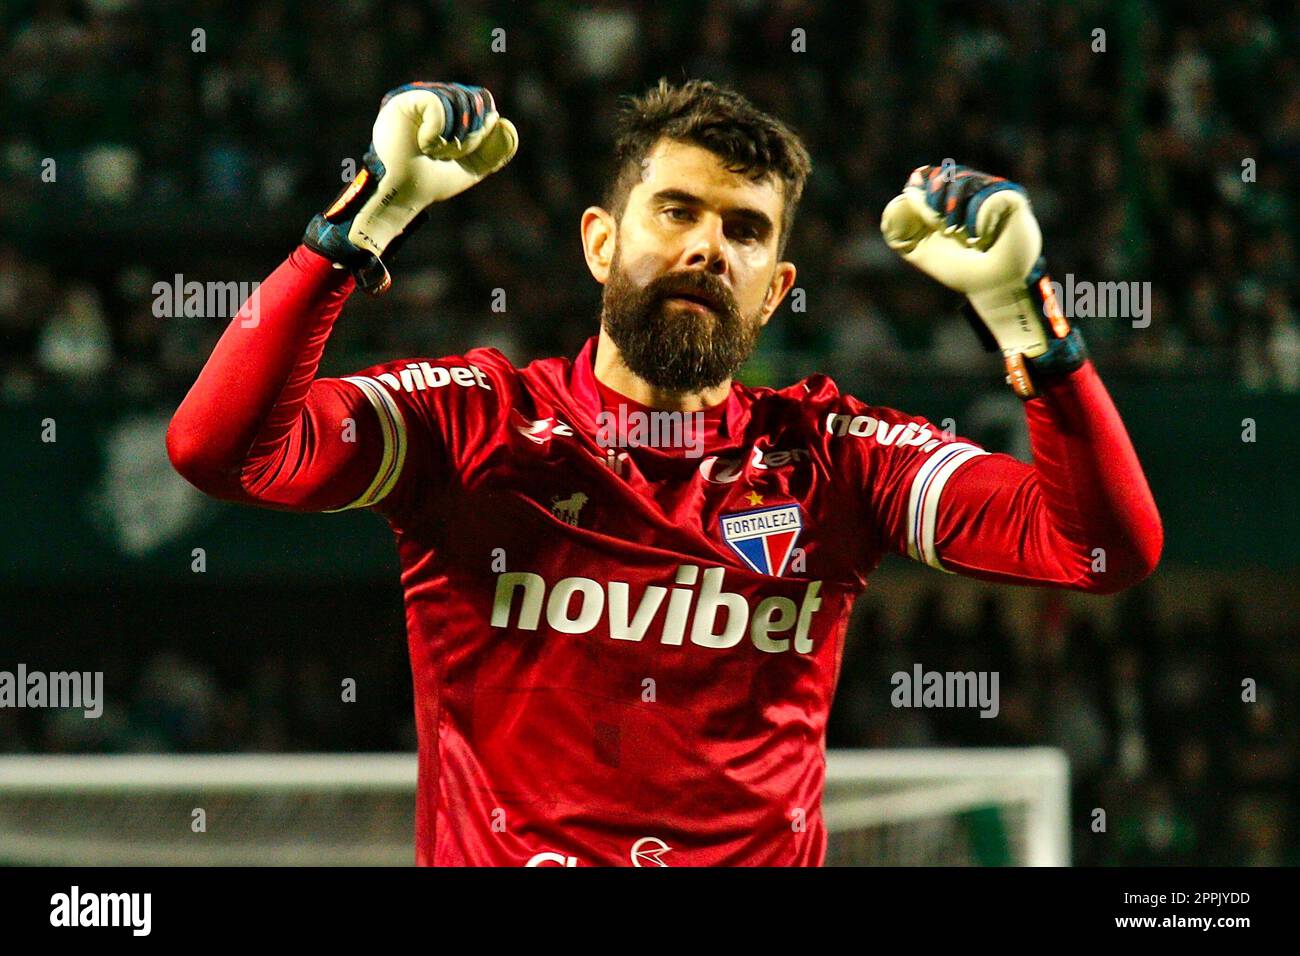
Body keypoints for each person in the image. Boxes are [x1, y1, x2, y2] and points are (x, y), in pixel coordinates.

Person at [166, 79, 1162, 866]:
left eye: (743, 229)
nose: (704, 247)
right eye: (675, 210)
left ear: (773, 291)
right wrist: (357, 227)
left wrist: (1031, 325)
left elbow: (1101, 548)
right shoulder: (472, 423)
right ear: (602, 242)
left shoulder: (833, 455)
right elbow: (221, 449)